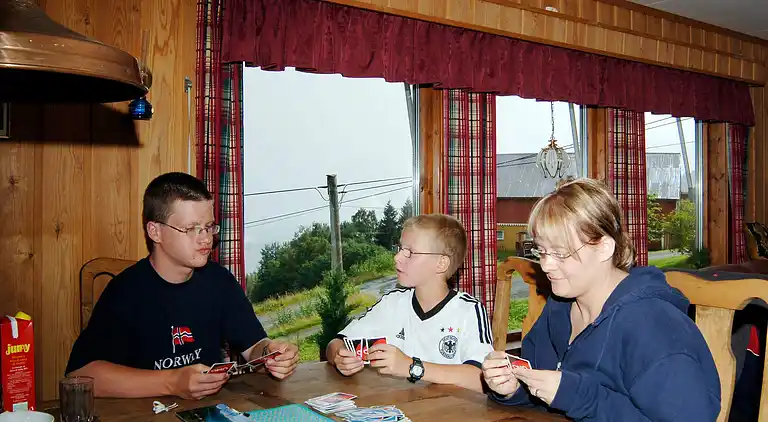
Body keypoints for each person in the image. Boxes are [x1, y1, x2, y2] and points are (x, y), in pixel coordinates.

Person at [482, 178, 720, 421]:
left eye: (561, 253)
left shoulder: (652, 327)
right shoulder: (560, 306)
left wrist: (579, 397)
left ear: (605, 248)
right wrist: (513, 388)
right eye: (541, 251)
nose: (546, 265)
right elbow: (546, 391)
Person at [65, 172, 299, 399]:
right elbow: (80, 375)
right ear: (155, 231)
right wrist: (172, 382)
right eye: (191, 229)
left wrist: (270, 354)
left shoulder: (219, 281)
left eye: (209, 227)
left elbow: (253, 347)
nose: (206, 238)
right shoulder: (125, 292)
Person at [326, 214, 494, 392]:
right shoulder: (392, 303)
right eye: (400, 248)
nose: (397, 257)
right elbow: (336, 343)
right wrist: (339, 356)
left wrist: (411, 367)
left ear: (441, 263)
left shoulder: (468, 311)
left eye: (410, 252)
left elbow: (481, 378)